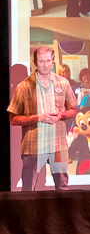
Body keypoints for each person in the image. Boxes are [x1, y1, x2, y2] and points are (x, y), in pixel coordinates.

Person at [8, 46, 78, 191]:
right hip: (33, 145)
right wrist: (38, 117)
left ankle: (64, 214)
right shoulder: (23, 87)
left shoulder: (63, 83)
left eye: (48, 61)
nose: (46, 65)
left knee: (63, 188)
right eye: (41, 61)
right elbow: (13, 119)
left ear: (52, 61)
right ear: (35, 62)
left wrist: (61, 115)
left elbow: (73, 110)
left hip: (58, 145)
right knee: (28, 190)